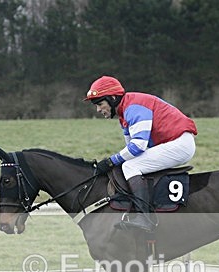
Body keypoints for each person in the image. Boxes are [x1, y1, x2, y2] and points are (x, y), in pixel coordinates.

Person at [85, 75, 198, 232]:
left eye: (100, 104)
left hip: (179, 144)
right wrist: (114, 161)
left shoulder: (133, 107)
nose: (98, 109)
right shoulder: (124, 114)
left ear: (112, 98)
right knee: (129, 164)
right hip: (174, 142)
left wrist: (110, 161)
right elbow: (131, 150)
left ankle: (145, 218)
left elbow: (138, 146)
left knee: (130, 167)